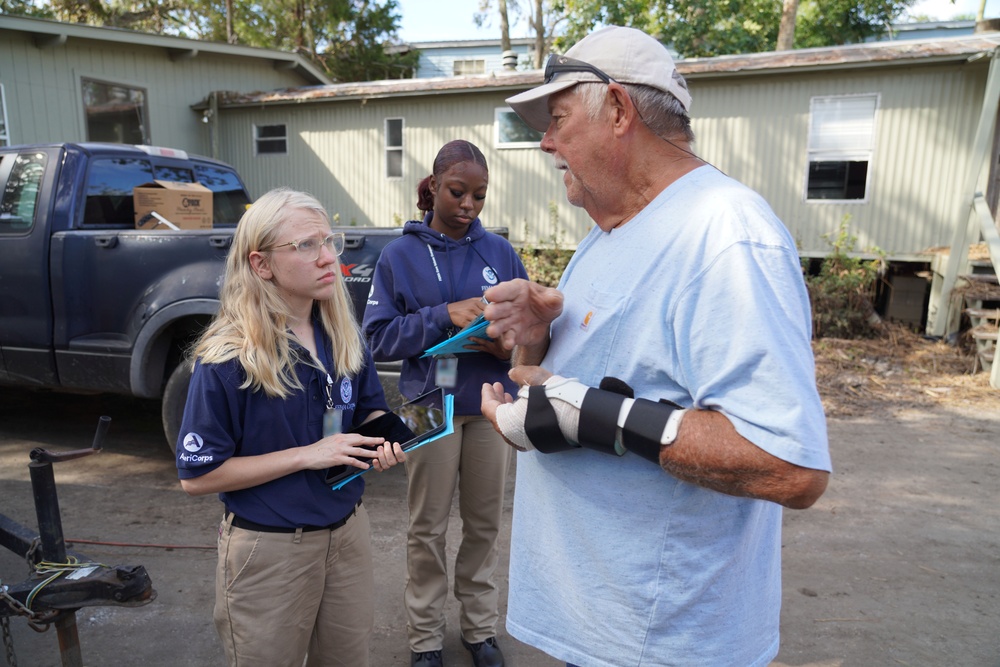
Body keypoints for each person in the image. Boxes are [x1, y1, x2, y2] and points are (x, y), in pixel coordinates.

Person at [478, 26, 832, 667]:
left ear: (618, 110)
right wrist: (532, 347)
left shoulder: (723, 233)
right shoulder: (606, 234)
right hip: (599, 628)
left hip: (666, 641)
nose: (545, 142)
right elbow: (570, 399)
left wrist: (594, 414)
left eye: (557, 119)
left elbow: (791, 468)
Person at [176, 187, 406, 667]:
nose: (328, 258)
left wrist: (392, 437)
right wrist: (310, 454)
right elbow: (197, 477)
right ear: (261, 264)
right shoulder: (226, 357)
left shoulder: (343, 334)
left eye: (328, 241)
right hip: (270, 549)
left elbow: (365, 411)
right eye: (306, 246)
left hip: (347, 534)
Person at [363, 140, 528, 667]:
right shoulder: (399, 256)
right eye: (458, 192)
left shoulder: (499, 252)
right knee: (427, 527)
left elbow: (528, 335)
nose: (469, 206)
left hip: (487, 401)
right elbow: (378, 339)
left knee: (484, 523)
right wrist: (442, 316)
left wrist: (507, 345)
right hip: (427, 404)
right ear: (433, 186)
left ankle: (480, 631)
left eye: (480, 196)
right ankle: (425, 640)